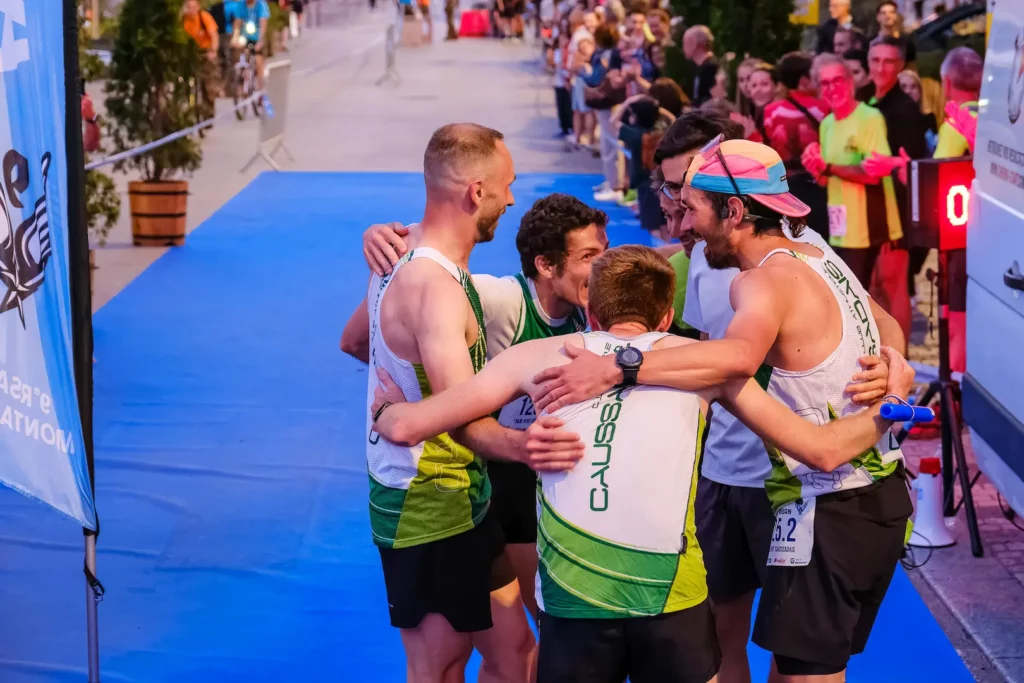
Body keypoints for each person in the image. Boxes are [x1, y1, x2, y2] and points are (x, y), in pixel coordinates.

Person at [369, 245, 916, 683]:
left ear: (590, 310)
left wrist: (391, 408)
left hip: (574, 609)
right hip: (672, 605)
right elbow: (820, 450)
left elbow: (409, 426)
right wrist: (892, 410)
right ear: (667, 315)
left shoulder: (535, 358)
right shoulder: (704, 368)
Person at [529, 138, 913, 682]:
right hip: (866, 496)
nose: (682, 223)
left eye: (692, 208)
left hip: (831, 504)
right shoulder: (814, 249)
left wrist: (621, 366)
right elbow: (886, 320)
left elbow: (735, 359)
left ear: (734, 210)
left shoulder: (761, 280)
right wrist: (896, 363)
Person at [347, 193, 610, 623]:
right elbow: (364, 334)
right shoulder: (500, 299)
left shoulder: (594, 303)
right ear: (546, 265)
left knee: (531, 641)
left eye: (606, 252)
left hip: (557, 472)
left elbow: (661, 256)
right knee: (547, 621)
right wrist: (386, 244)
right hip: (499, 475)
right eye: (589, 256)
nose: (603, 267)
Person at [362, 124, 562, 682]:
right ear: (477, 191)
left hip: (467, 497)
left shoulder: (398, 253)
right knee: (440, 666)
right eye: (508, 184)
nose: (513, 197)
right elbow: (464, 423)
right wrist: (533, 448)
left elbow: (356, 341)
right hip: (425, 506)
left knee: (514, 649)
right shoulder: (435, 287)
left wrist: (399, 368)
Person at [802, 54, 902, 289]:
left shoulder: (869, 117)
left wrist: (829, 167)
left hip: (869, 226)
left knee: (868, 299)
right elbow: (828, 181)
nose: (832, 88)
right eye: (825, 83)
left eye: (838, 80)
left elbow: (873, 173)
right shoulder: (827, 124)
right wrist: (816, 168)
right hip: (839, 228)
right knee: (846, 299)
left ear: (850, 82)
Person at [862, 36, 931, 348]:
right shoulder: (862, 97)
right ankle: (880, 353)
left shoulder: (905, 110)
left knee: (893, 282)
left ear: (901, 65)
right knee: (872, 286)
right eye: (875, 60)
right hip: (862, 204)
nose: (880, 67)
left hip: (895, 208)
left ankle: (901, 358)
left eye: (888, 61)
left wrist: (891, 165)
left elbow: (912, 166)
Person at [763, 52, 829, 243]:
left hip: (785, 187)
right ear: (804, 80)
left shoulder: (771, 112)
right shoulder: (822, 108)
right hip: (818, 183)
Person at [183, 0, 221, 120]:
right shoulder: (183, 20)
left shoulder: (204, 17)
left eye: (194, 7)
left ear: (198, 7)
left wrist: (213, 51)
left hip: (206, 51)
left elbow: (214, 35)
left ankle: (208, 113)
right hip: (190, 52)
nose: (191, 9)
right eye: (188, 7)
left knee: (208, 83)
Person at [226, 0, 271, 89]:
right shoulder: (240, 5)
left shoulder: (261, 5)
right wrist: (235, 36)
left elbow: (263, 23)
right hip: (245, 36)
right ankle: (240, 78)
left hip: (257, 36)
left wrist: (260, 40)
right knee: (237, 51)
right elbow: (237, 22)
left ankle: (260, 85)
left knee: (258, 60)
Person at [683, 25, 718, 106]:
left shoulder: (710, 68)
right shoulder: (701, 67)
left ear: (694, 43)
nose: (683, 47)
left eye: (685, 42)